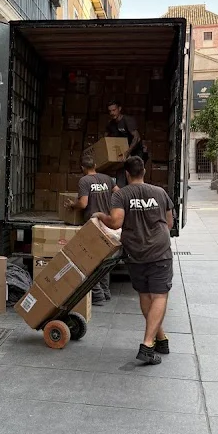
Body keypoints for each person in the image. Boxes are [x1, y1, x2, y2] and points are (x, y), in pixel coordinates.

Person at [97, 154, 174, 366]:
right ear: (144, 172)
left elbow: (115, 223)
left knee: (145, 294)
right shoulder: (159, 192)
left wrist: (100, 215)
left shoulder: (121, 195)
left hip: (136, 252)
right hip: (159, 252)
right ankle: (148, 344)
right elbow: (169, 222)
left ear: (126, 174)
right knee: (159, 295)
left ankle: (161, 339)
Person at [66, 152, 116, 305]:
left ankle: (98, 295)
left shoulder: (84, 181)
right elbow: (119, 193)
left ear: (83, 168)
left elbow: (83, 204)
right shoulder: (107, 179)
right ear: (95, 166)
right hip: (106, 223)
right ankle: (106, 292)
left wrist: (71, 205)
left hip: (93, 225)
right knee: (104, 259)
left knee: (91, 260)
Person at [106, 99, 148, 166]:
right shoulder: (111, 124)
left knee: (135, 172)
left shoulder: (127, 120)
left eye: (114, 110)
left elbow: (137, 138)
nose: (112, 113)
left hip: (136, 151)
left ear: (119, 109)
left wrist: (128, 152)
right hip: (123, 152)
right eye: (110, 111)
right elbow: (108, 139)